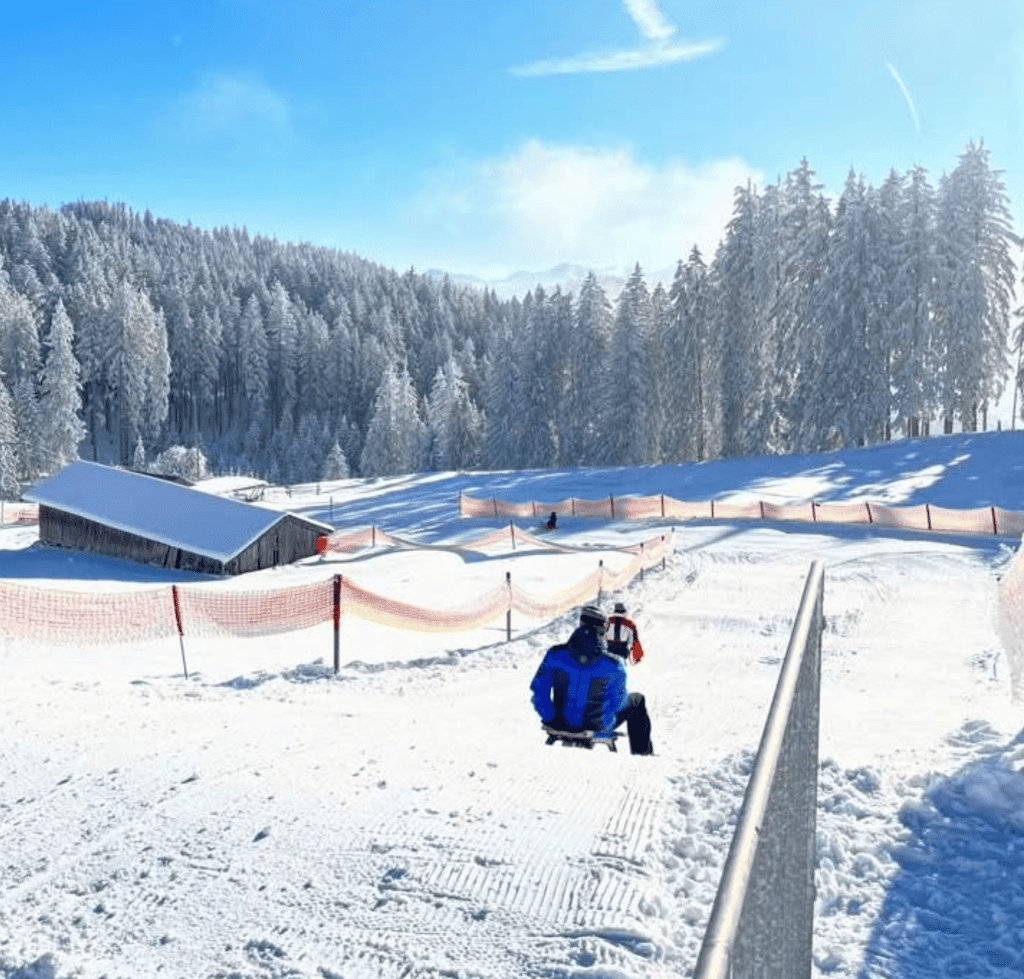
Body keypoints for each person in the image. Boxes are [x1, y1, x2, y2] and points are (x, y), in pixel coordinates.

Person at [530, 604, 654, 755]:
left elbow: (539, 692)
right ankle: (643, 754)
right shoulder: (614, 664)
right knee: (637, 700)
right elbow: (619, 703)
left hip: (560, 721)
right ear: (603, 628)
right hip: (598, 725)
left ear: (581, 623)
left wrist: (552, 718)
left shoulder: (554, 655)